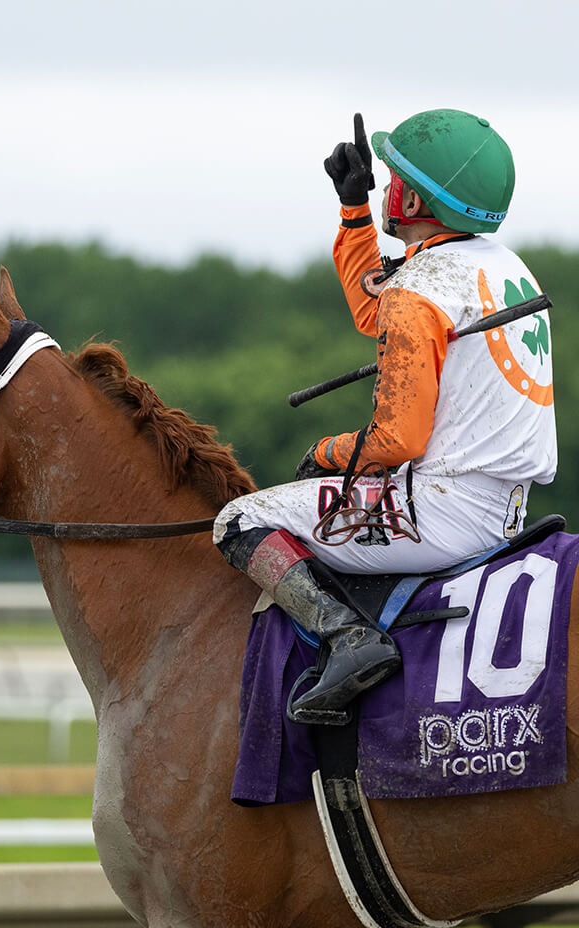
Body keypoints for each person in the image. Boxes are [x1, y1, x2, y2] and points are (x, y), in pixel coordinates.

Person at [213, 109, 557, 715]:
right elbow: (376, 309)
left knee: (238, 520)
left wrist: (327, 451)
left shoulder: (421, 286)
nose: (388, 188)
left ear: (414, 199)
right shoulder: (503, 267)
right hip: (509, 507)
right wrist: (354, 210)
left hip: (441, 511)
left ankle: (348, 639)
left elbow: (397, 440)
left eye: (394, 179)